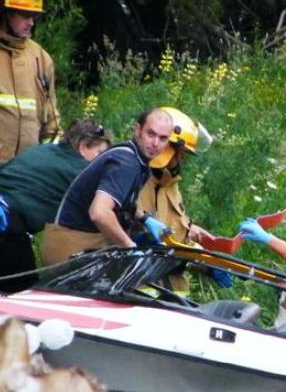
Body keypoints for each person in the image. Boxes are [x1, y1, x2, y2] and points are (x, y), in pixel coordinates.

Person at [40, 107, 173, 266]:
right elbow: (99, 213)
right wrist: (130, 247)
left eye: (163, 138)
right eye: (150, 134)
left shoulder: (132, 157)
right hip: (72, 245)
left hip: (79, 241)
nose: (155, 143)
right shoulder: (126, 163)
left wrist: (144, 219)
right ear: (137, 130)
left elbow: (122, 201)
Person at [0, 119, 111, 292]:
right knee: (24, 294)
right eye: (100, 153)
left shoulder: (39, 150)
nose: (102, 160)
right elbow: (108, 205)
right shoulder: (83, 171)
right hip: (7, 227)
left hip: (6, 215)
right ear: (82, 147)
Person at [138, 106, 231, 290]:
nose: (182, 159)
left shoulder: (170, 185)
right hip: (140, 289)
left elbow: (179, 239)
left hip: (171, 291)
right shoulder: (136, 180)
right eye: (180, 153)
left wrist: (208, 262)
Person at [0, 0, 60, 164]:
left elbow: (52, 122)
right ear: (6, 13)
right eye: (25, 15)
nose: (31, 23)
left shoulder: (40, 58)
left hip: (25, 174)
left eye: (34, 17)